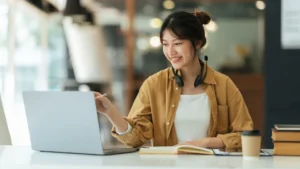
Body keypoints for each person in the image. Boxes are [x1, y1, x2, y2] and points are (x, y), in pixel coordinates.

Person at [94, 11, 254, 149]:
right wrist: (110, 112)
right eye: (165, 44)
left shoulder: (224, 85)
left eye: (177, 43)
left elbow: (246, 135)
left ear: (197, 43)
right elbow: (135, 139)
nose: (171, 52)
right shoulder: (154, 84)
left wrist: (206, 143)